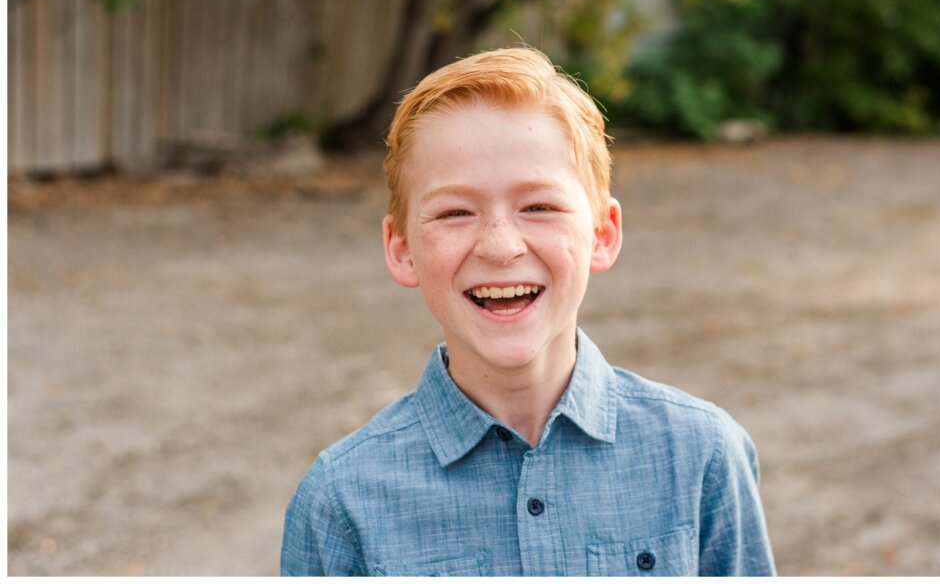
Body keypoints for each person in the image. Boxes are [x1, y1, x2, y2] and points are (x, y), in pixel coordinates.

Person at [280, 47, 776, 576]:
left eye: (538, 206)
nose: (500, 246)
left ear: (602, 235)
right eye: (455, 212)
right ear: (402, 248)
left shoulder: (702, 455)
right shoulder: (341, 501)